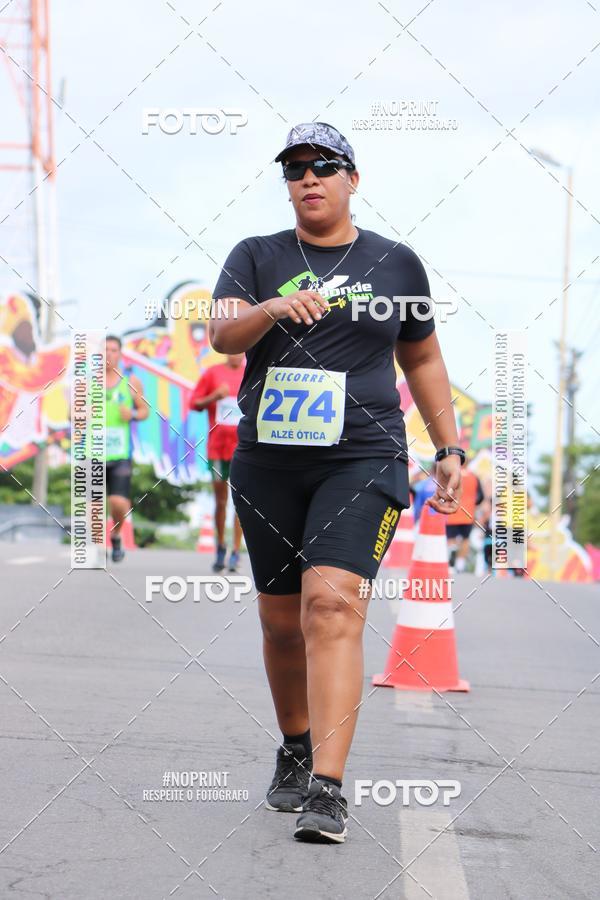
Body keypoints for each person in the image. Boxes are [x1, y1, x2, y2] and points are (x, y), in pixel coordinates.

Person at [209, 122, 465, 844]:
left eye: (324, 166)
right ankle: (293, 746)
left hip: (364, 454)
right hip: (269, 460)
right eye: (295, 169)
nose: (308, 178)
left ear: (353, 178)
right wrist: (271, 308)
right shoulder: (256, 257)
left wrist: (449, 446)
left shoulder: (395, 263)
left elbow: (422, 360)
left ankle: (328, 786)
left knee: (332, 605)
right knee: (281, 621)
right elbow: (222, 336)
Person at [189, 354, 245, 572]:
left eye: (241, 349)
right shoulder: (213, 373)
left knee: (241, 501)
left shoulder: (252, 371)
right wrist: (214, 396)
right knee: (221, 501)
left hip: (244, 448)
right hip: (217, 449)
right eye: (233, 349)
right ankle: (220, 545)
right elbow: (194, 403)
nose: (236, 353)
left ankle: (235, 551)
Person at [104, 335, 149, 562]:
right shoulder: (88, 384)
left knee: (118, 503)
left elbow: (145, 411)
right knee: (92, 505)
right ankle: (95, 548)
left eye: (113, 350)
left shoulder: (130, 381)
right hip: (93, 453)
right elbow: (70, 414)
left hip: (120, 453)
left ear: (119, 354)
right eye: (105, 350)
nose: (108, 354)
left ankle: (117, 534)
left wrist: (130, 414)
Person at [445, 466, 484, 573]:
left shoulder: (453, 476)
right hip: (468, 514)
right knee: (465, 539)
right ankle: (460, 563)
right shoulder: (474, 477)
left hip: (453, 513)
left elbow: (446, 492)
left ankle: (451, 564)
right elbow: (481, 496)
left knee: (451, 538)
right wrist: (472, 504)